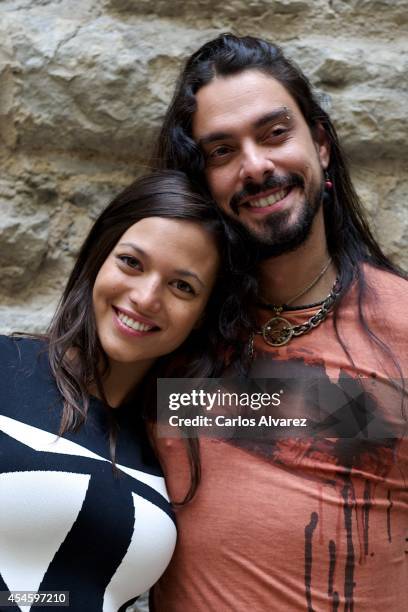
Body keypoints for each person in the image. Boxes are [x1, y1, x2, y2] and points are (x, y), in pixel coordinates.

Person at [149, 34, 408, 611]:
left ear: (319, 144)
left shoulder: (403, 326)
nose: (256, 165)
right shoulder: (166, 331)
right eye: (221, 152)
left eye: (274, 134)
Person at [0, 170, 245, 612]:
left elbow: (357, 412)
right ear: (99, 256)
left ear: (203, 316)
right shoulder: (3, 365)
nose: (147, 297)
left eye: (182, 286)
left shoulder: (179, 432)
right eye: (132, 262)